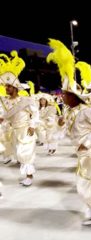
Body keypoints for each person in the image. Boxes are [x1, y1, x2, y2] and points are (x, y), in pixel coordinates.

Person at [47, 38, 91, 226]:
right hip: (82, 153)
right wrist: (61, 124)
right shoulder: (70, 112)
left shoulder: (88, 110)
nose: (62, 97)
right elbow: (65, 131)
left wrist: (89, 142)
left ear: (74, 96)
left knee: (88, 183)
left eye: (65, 94)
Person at [0, 51, 39, 186]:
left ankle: (29, 176)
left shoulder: (26, 100)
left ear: (15, 87)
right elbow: (5, 116)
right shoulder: (5, 102)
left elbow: (35, 113)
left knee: (25, 153)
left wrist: (33, 125)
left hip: (26, 130)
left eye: (9, 86)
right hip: (15, 131)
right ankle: (27, 175)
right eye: (5, 86)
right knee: (19, 154)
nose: (6, 88)